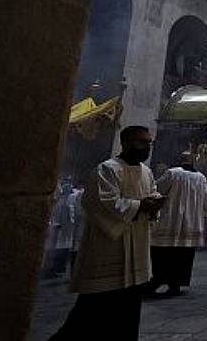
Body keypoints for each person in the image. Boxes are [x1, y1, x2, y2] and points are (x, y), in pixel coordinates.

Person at [49, 126, 164, 341]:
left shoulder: (146, 172)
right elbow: (101, 204)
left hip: (137, 251)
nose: (147, 147)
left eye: (150, 142)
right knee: (91, 314)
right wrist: (140, 206)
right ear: (126, 142)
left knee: (128, 315)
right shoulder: (107, 169)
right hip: (109, 251)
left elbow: (151, 193)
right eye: (142, 142)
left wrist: (154, 203)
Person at [148, 151, 207, 296]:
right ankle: (175, 285)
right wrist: (204, 217)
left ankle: (156, 281)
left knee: (162, 254)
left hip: (171, 221)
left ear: (180, 160)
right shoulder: (201, 177)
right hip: (191, 224)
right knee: (183, 256)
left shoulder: (172, 173)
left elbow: (156, 190)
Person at [44, 177, 77, 278]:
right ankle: (51, 269)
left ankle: (51, 269)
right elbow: (68, 218)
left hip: (58, 229)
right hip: (58, 229)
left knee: (54, 248)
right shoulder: (64, 202)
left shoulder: (62, 202)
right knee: (54, 249)